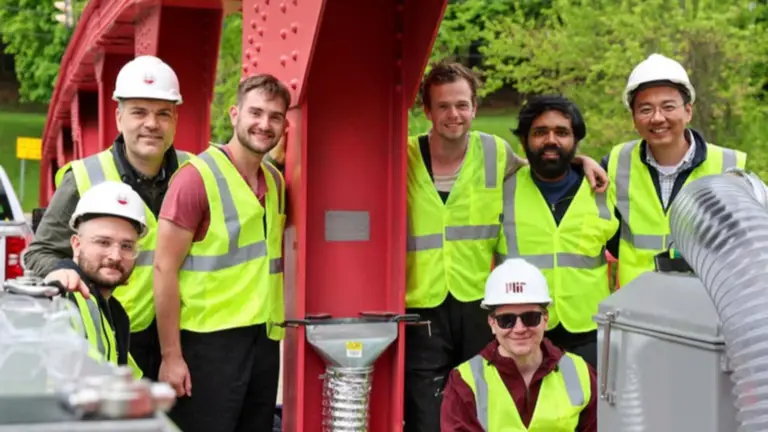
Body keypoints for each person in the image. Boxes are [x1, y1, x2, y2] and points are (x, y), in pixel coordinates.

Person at [403, 60, 609, 432]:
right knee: (426, 412)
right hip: (421, 301)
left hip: (476, 299)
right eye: (443, 106)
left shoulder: (494, 152)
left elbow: (544, 162)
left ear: (475, 108)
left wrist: (580, 160)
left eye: (462, 105)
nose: (454, 114)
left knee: (484, 400)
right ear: (427, 111)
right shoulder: (404, 157)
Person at [23, 55, 190, 381]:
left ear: (175, 119)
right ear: (118, 117)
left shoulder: (196, 174)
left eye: (163, 113)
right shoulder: (84, 177)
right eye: (139, 112)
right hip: (115, 333)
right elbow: (39, 253)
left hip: (184, 340)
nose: (152, 124)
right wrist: (62, 271)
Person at [153, 73, 289, 432]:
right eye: (255, 113)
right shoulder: (195, 179)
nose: (264, 124)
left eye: (275, 117)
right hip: (207, 343)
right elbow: (163, 268)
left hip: (263, 340)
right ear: (234, 114)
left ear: (285, 125)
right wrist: (171, 356)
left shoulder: (275, 182)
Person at [601, 53, 748, 288]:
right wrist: (580, 162)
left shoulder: (728, 167)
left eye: (668, 107)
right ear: (634, 119)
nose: (657, 118)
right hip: (637, 301)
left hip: (702, 301)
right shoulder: (617, 162)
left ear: (688, 111)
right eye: (645, 109)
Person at [497, 95, 618, 368]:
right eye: (540, 132)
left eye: (562, 133)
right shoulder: (502, 189)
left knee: (588, 396)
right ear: (524, 141)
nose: (551, 140)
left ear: (575, 141)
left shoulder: (603, 189)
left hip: (588, 329)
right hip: (522, 330)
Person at [441, 258, 597, 431]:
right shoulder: (464, 382)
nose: (519, 329)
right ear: (492, 323)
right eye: (506, 320)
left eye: (530, 318)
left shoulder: (581, 373)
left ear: (546, 319)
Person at [42, 181, 148, 378]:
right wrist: (53, 281)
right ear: (76, 244)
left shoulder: (115, 314)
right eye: (103, 242)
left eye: (126, 246)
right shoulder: (63, 298)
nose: (115, 256)